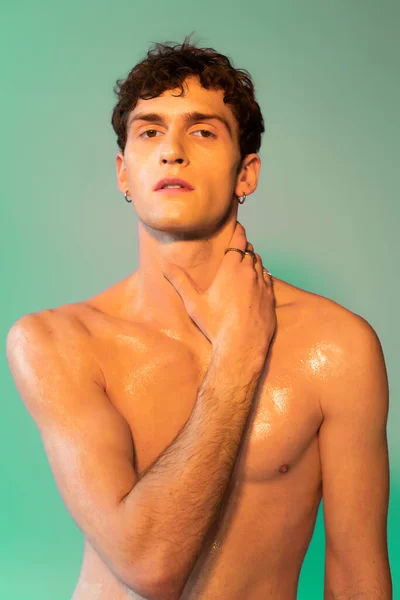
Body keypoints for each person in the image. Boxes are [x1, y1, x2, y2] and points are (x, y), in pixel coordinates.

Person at [6, 36, 391, 600]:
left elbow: (359, 579)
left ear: (246, 174)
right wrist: (239, 350)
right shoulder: (55, 342)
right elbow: (149, 564)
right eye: (150, 131)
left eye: (203, 131)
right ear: (123, 173)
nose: (172, 150)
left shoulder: (337, 347)